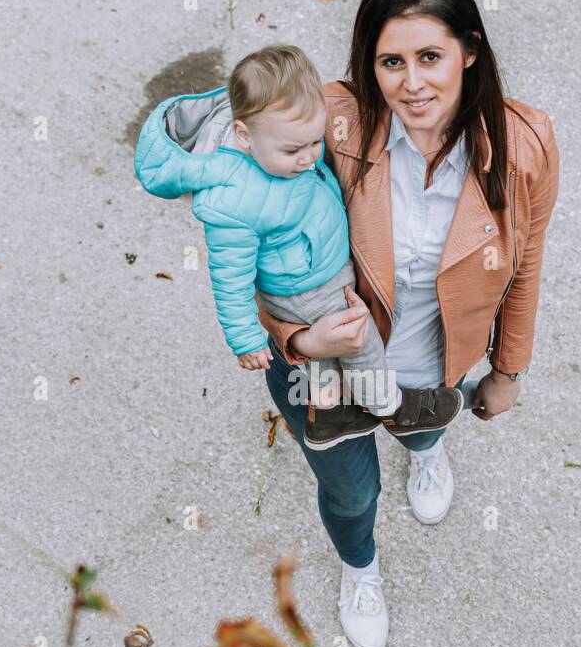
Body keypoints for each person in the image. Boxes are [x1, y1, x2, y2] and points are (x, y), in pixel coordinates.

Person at [256, 0, 560, 647]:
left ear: (470, 50)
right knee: (351, 495)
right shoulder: (328, 125)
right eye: (391, 61)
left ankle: (426, 453)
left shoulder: (526, 146)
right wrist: (296, 341)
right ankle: (360, 570)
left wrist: (508, 370)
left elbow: (527, 261)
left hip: (435, 366)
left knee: (425, 429)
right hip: (323, 372)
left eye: (430, 56)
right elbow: (254, 246)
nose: (412, 83)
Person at [134, 44, 462, 451]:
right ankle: (393, 406)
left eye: (313, 142)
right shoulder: (231, 202)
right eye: (293, 149)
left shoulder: (280, 140)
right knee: (358, 338)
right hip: (301, 283)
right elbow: (229, 279)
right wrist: (246, 339)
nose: (309, 157)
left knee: (330, 354)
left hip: (316, 261)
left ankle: (328, 412)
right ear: (242, 134)